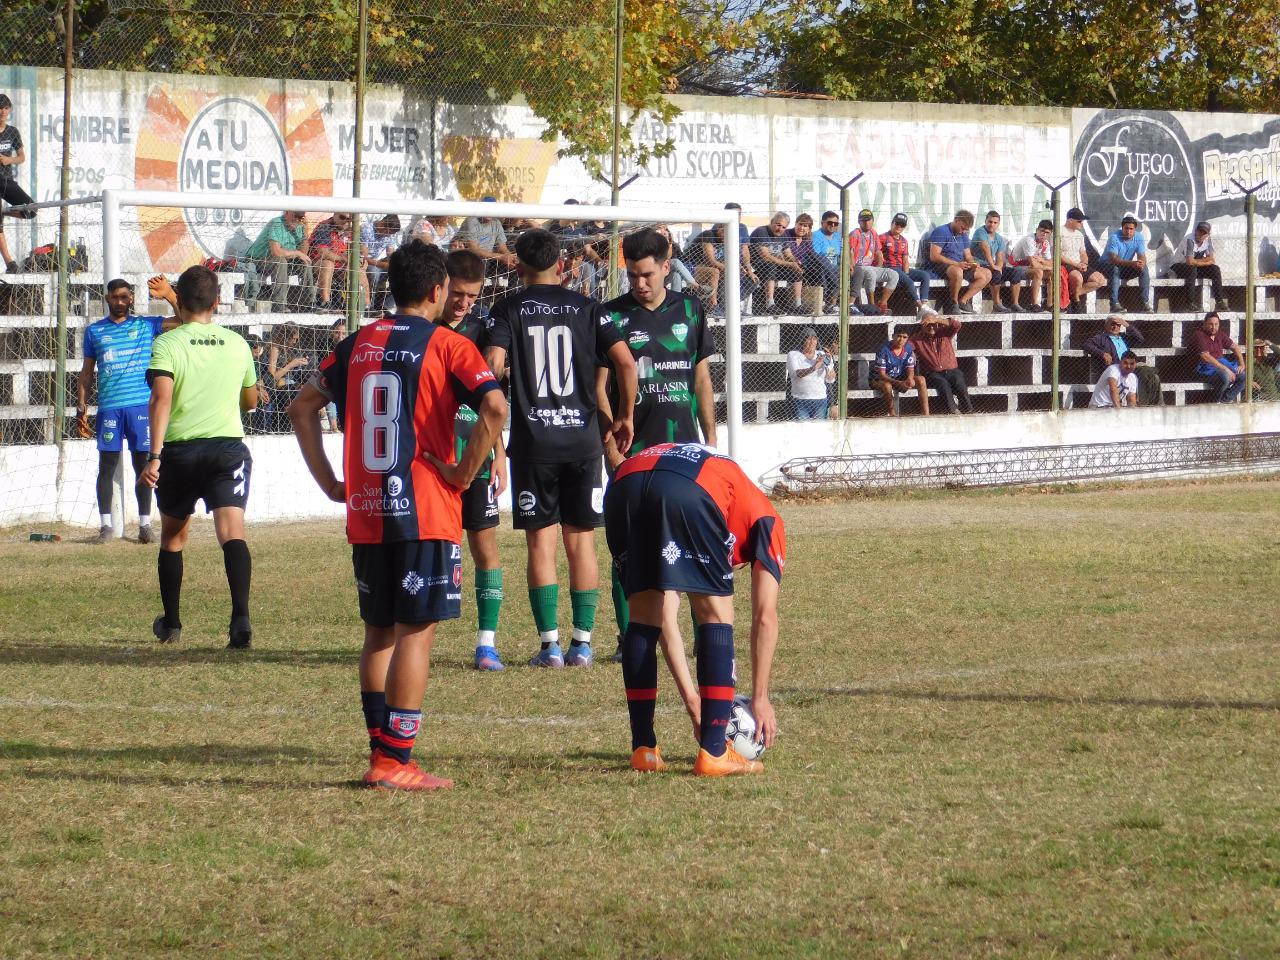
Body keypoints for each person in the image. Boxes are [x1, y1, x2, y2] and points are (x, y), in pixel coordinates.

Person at [288, 239, 507, 791]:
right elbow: (495, 406)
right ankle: (395, 760)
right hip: (424, 510)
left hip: (367, 508)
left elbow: (301, 407)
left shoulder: (355, 344)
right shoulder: (449, 345)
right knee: (415, 633)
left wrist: (330, 482)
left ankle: (378, 751)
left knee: (378, 633)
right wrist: (463, 474)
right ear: (437, 290)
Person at [484, 228, 637, 668]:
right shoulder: (589, 308)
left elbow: (493, 364)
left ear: (518, 266)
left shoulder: (508, 308)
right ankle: (583, 643)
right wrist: (625, 415)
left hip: (534, 443)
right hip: (583, 442)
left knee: (541, 543)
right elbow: (626, 363)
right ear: (562, 264)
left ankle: (549, 646)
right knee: (581, 541)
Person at [604, 442, 784, 776]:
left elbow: (665, 620)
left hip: (623, 484)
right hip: (689, 489)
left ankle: (643, 749)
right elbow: (764, 617)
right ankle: (715, 752)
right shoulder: (769, 521)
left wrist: (693, 702)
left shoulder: (732, 493)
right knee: (716, 614)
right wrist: (760, 697)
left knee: (644, 615)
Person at [599, 226, 717, 697]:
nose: (639, 283)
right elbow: (598, 387)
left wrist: (712, 442)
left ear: (667, 267)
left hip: (686, 452)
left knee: (695, 547)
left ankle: (706, 631)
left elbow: (701, 379)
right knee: (629, 550)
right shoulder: (610, 316)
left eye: (647, 274)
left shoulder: (691, 310)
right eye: (632, 275)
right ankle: (629, 634)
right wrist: (610, 444)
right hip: (634, 453)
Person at [140, 266, 260, 648]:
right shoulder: (238, 344)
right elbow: (250, 401)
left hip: (180, 451)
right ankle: (240, 619)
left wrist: (154, 456)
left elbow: (160, 400)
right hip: (227, 449)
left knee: (173, 536)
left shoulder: (167, 343)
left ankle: (172, 623)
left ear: (179, 298)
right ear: (217, 301)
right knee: (232, 532)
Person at [441, 249, 509, 671]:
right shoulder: (424, 328)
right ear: (441, 286)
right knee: (432, 548)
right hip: (433, 457)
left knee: (484, 546)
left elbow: (493, 402)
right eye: (458, 294)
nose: (464, 303)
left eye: (472, 296)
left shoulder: (483, 330)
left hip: (478, 455)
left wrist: (499, 453)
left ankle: (486, 643)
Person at [76, 278, 175, 543]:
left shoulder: (146, 325)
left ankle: (144, 525)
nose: (119, 302)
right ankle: (106, 526)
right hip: (110, 409)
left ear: (131, 298)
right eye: (115, 297)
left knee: (143, 465)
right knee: (106, 466)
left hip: (140, 407)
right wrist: (81, 406)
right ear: (107, 298)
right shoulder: (94, 331)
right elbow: (86, 373)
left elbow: (184, 320)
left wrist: (169, 295)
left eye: (124, 297)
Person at [243, 210, 313, 309]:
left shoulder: (300, 227)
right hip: (258, 259)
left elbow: (303, 254)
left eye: (300, 217)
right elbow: (276, 252)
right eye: (295, 215)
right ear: (287, 212)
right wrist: (297, 253)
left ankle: (310, 303)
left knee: (305, 262)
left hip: (281, 262)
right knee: (280, 261)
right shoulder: (277, 223)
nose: (297, 220)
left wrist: (305, 236)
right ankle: (279, 304)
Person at [910, 307, 972, 414]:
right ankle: (953, 411)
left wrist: (936, 319)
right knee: (943, 385)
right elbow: (906, 346)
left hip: (952, 370)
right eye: (928, 325)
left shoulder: (944, 333)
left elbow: (957, 325)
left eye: (933, 324)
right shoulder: (917, 339)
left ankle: (968, 410)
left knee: (959, 382)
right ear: (922, 325)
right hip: (933, 373)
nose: (931, 327)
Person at [926, 210, 990, 314]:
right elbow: (934, 256)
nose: (963, 231)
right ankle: (954, 303)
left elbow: (968, 255)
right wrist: (956, 264)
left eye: (966, 230)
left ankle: (963, 301)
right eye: (962, 228)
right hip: (942, 266)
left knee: (987, 273)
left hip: (959, 265)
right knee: (958, 272)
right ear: (956, 220)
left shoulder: (963, 235)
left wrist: (973, 264)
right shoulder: (941, 231)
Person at [0, 93, 36, 273]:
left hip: (6, 180)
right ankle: (10, 263)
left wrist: (8, 160)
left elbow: (21, 157)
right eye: (0, 108)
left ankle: (4, 212)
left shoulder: (12, 132)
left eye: (6, 108)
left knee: (31, 210)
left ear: (10, 110)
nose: (2, 112)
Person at [309, 212, 369, 311]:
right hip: (318, 263)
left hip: (343, 265)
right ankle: (325, 302)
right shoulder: (325, 227)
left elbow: (364, 251)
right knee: (328, 264)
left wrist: (360, 257)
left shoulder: (353, 230)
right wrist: (344, 258)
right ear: (335, 215)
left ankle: (366, 307)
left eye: (349, 219)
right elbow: (323, 253)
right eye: (342, 217)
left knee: (359, 269)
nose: (346, 221)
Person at [970, 210, 1026, 313]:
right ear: (985, 221)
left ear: (998, 224)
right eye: (990, 222)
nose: (992, 224)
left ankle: (1015, 304)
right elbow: (985, 249)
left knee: (1015, 272)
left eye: (995, 222)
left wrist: (999, 267)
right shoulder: (980, 232)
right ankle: (997, 304)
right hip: (979, 265)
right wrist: (993, 266)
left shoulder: (999, 238)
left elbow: (1000, 256)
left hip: (991, 266)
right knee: (996, 273)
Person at [1188, 311, 1246, 403]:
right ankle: (1214, 402)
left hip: (1220, 366)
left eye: (1216, 324)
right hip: (1203, 368)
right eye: (1210, 324)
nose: (1214, 327)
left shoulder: (1220, 334)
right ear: (1204, 324)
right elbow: (1205, 357)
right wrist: (1226, 369)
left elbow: (1235, 347)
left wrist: (1242, 364)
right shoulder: (1199, 335)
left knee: (1243, 377)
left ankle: (1224, 400)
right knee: (1225, 377)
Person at [749, 212, 802, 314]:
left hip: (777, 266)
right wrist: (789, 264)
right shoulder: (761, 231)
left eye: (783, 227)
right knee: (771, 266)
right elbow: (765, 256)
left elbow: (788, 254)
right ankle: (770, 304)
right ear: (772, 221)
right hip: (760, 267)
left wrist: (795, 262)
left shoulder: (784, 234)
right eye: (778, 225)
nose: (780, 229)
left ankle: (797, 305)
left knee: (796, 271)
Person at [848, 210, 899, 315]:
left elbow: (878, 252)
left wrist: (879, 267)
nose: (866, 223)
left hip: (870, 267)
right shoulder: (855, 234)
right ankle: (872, 305)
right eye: (863, 221)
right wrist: (852, 268)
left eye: (869, 220)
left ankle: (882, 304)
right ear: (859, 222)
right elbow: (850, 252)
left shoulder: (873, 233)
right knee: (871, 273)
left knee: (894, 274)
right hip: (859, 266)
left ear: (872, 221)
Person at [1169, 221, 1227, 311]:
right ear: (1195, 230)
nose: (1201, 234)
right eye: (1199, 231)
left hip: (1194, 267)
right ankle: (1190, 304)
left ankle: (1219, 302)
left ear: (1207, 234)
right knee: (1192, 270)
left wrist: (1199, 262)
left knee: (1215, 269)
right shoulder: (1190, 239)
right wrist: (1205, 261)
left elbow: (1212, 259)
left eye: (1204, 233)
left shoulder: (1208, 240)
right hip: (1178, 266)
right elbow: (1189, 262)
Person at [873, 325, 930, 417]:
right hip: (880, 379)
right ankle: (892, 414)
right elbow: (881, 375)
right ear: (893, 336)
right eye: (899, 336)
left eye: (904, 337)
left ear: (907, 338)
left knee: (921, 379)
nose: (901, 340)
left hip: (899, 378)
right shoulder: (883, 350)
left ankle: (926, 415)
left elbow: (910, 368)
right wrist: (898, 383)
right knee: (887, 386)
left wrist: (910, 378)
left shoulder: (908, 348)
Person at [1060, 208, 1107, 313]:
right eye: (1079, 221)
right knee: (1078, 277)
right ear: (1070, 220)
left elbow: (1083, 253)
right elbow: (1059, 255)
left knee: (1100, 279)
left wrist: (1084, 263)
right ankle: (1076, 301)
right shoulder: (1059, 232)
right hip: (1066, 264)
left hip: (1079, 264)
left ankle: (1073, 295)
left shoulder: (1079, 235)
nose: (1082, 223)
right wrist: (1076, 264)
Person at [880, 212, 931, 308]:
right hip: (890, 268)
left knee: (925, 275)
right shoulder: (882, 237)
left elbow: (905, 259)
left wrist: (906, 274)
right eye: (897, 223)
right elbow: (877, 254)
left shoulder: (904, 240)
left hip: (901, 268)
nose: (899, 226)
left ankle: (924, 304)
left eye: (902, 225)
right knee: (909, 282)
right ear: (892, 223)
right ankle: (920, 307)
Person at [265, 322, 308, 433]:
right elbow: (271, 378)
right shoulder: (275, 349)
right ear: (285, 336)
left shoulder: (289, 349)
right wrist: (292, 364)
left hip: (290, 384)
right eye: (293, 339)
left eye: (297, 339)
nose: (295, 342)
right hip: (277, 388)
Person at [1104, 215, 1151, 313]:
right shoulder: (1114, 237)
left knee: (1144, 268)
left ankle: (1145, 304)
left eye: (1131, 229)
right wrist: (1132, 263)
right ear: (1122, 228)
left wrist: (1141, 263)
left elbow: (1142, 255)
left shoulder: (1139, 237)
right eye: (1126, 228)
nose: (1128, 231)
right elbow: (1113, 259)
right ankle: (1114, 305)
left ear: (1135, 229)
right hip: (1106, 267)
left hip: (1124, 267)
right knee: (1115, 269)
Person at [786, 326, 834, 420]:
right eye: (808, 339)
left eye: (814, 339)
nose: (812, 342)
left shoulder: (822, 354)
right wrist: (814, 367)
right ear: (802, 340)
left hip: (820, 400)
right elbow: (798, 374)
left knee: (819, 427)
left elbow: (831, 379)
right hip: (800, 400)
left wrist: (829, 364)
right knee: (803, 427)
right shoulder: (794, 355)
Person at [1008, 219, 1054, 312]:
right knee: (1039, 272)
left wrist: (1043, 261)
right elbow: (1034, 264)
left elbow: (1050, 262)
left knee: (1052, 273)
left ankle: (1049, 304)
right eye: (1042, 231)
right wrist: (1046, 265)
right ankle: (1034, 304)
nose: (1044, 234)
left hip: (1029, 268)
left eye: (1047, 232)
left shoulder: (1046, 243)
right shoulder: (1029, 240)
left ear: (1050, 234)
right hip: (1014, 268)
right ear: (1037, 230)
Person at [361, 214, 402, 312]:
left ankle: (386, 306)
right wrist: (381, 264)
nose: (388, 235)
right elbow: (363, 257)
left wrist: (395, 263)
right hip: (365, 262)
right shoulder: (367, 229)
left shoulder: (389, 233)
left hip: (378, 261)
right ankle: (369, 307)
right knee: (374, 273)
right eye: (388, 232)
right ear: (383, 224)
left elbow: (391, 253)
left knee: (401, 273)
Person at [810, 211, 843, 313]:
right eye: (830, 222)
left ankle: (834, 305)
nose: (833, 225)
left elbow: (842, 254)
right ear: (822, 223)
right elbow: (816, 255)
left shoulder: (837, 237)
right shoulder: (816, 235)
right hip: (820, 266)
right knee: (828, 269)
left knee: (847, 271)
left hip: (834, 267)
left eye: (835, 223)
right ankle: (828, 304)